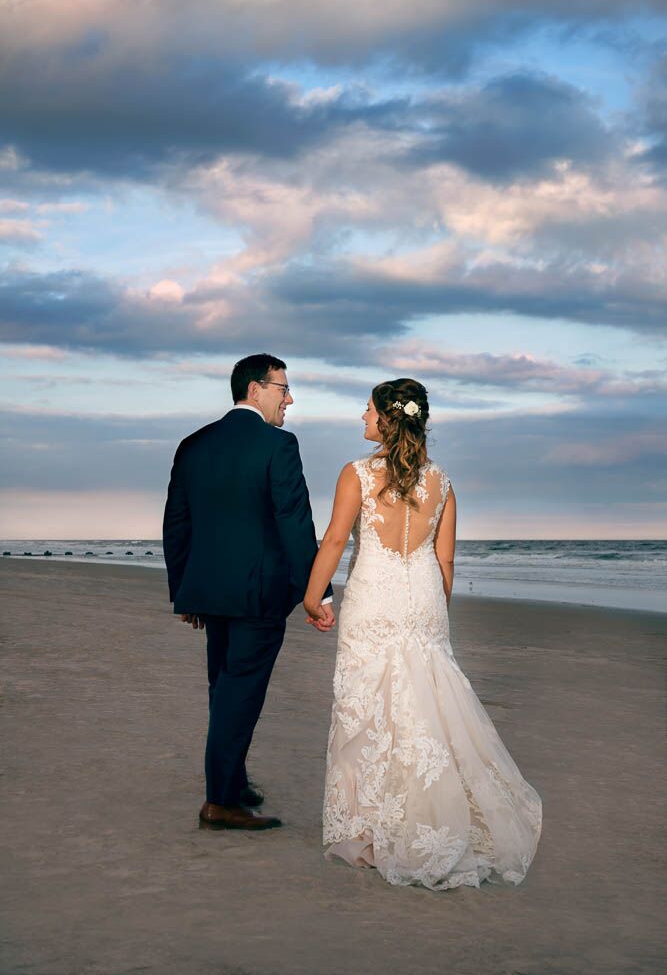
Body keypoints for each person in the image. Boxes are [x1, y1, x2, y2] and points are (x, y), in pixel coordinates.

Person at [303, 378, 542, 889]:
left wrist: (313, 594)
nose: (360, 418)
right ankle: (421, 820)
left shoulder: (357, 474)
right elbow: (446, 559)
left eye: (367, 410)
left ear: (388, 419)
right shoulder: (443, 481)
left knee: (367, 707)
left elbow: (336, 538)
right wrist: (435, 608)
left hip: (373, 597)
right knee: (427, 707)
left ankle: (369, 832)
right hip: (424, 598)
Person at [163, 353, 334, 831]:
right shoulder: (277, 444)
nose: (290, 398)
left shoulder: (194, 444)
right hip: (258, 595)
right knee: (240, 693)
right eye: (284, 388)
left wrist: (186, 591)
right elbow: (295, 523)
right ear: (255, 390)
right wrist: (316, 593)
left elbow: (177, 522)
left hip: (210, 592)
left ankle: (232, 783)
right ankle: (220, 802)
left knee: (225, 687)